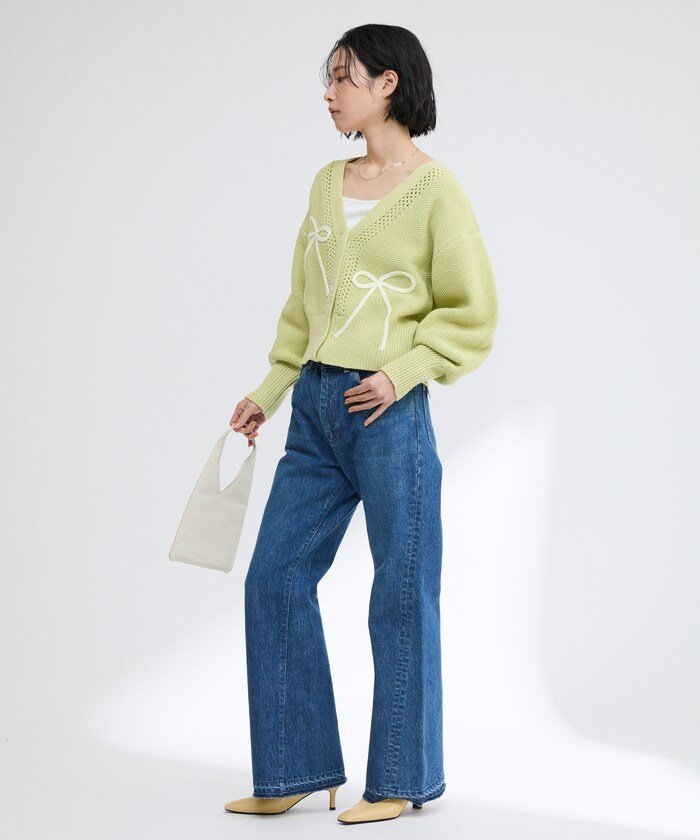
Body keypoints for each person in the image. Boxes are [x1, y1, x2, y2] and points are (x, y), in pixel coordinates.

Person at [224, 23, 498, 825]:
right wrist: (271, 390)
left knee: (401, 591)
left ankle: (400, 778)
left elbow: (472, 312)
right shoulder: (326, 184)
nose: (329, 91)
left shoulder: (437, 191)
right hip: (315, 408)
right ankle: (293, 768)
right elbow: (303, 305)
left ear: (388, 84)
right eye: (330, 77)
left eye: (343, 76)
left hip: (387, 413)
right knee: (275, 578)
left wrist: (401, 372)